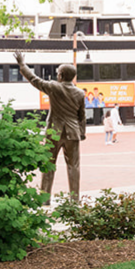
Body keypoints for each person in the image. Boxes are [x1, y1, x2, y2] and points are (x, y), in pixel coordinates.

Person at [14, 52, 86, 202]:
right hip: (73, 133)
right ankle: (75, 200)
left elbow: (34, 80)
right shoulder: (79, 93)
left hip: (54, 131)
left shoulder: (54, 87)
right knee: (74, 167)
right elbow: (82, 115)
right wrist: (82, 133)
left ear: (61, 75)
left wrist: (22, 65)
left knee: (48, 164)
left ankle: (45, 198)